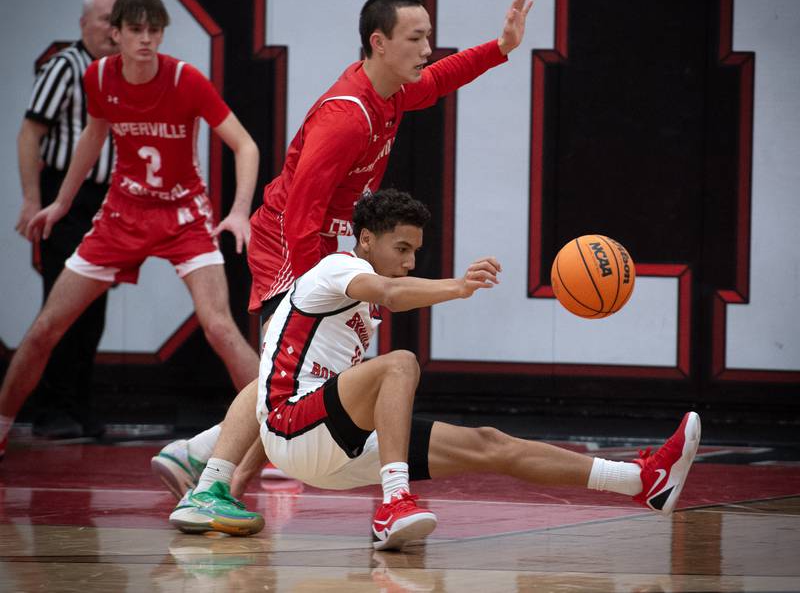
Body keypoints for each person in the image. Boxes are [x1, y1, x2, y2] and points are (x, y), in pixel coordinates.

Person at [151, 0, 535, 495]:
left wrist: (501, 47)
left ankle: (202, 462)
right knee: (291, 376)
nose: (427, 49)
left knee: (308, 379)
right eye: (416, 38)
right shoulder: (346, 118)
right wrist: (314, 293)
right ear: (379, 42)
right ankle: (208, 473)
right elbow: (299, 214)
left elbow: (440, 79)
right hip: (290, 246)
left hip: (326, 247)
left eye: (428, 37)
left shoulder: (392, 91)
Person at [168, 189, 702, 551]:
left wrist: (231, 478)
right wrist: (459, 287)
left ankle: (641, 481)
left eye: (415, 251)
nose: (409, 261)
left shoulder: (353, 311)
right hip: (297, 428)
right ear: (365, 239)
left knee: (489, 443)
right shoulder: (338, 267)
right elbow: (391, 291)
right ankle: (394, 502)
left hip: (330, 444)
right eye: (401, 248)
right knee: (399, 364)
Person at [0, 0, 260, 462]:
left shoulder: (184, 78)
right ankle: (1, 427)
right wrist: (61, 202)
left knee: (220, 328)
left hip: (183, 214)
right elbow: (93, 134)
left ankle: (280, 440)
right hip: (122, 212)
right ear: (115, 34)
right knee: (45, 328)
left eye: (154, 31)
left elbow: (245, 145)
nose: (145, 39)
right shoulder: (98, 75)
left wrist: (240, 210)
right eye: (136, 30)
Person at [14, 0, 118, 440]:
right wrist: (32, 199)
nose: (112, 30)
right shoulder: (65, 67)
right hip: (66, 196)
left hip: (106, 200)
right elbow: (29, 134)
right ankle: (49, 408)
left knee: (94, 309)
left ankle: (78, 404)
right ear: (83, 24)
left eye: (117, 21)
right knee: (60, 306)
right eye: (105, 20)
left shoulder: (121, 72)